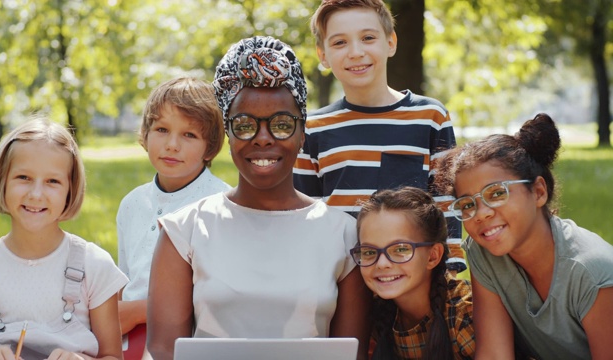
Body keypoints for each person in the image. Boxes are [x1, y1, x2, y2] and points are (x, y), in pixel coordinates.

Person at [147, 36, 371, 360]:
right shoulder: (184, 232)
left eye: (281, 124)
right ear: (228, 133)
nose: (263, 139)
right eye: (244, 124)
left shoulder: (344, 235)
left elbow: (354, 354)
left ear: (302, 133)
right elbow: (163, 351)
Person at [293, 0, 467, 274]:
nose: (356, 52)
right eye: (339, 43)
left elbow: (446, 200)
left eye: (368, 38)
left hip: (411, 276)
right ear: (322, 55)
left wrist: (450, 266)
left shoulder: (430, 116)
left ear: (390, 42)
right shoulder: (313, 127)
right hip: (341, 276)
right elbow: (304, 213)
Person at [433, 113, 613, 359]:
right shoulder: (483, 251)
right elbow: (495, 354)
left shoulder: (591, 272)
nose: (481, 214)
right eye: (466, 204)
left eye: (496, 194)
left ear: (538, 192)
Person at [0, 117, 128, 360]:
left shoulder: (94, 265)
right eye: (23, 177)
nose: (36, 194)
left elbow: (113, 356)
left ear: (70, 190)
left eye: (52, 181)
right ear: (2, 180)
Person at [116, 77, 230, 358]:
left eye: (189, 135)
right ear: (145, 133)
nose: (172, 145)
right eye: (162, 129)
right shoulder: (132, 204)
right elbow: (124, 280)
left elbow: (220, 299)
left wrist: (138, 311)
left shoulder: (222, 206)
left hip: (190, 343)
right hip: (131, 344)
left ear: (211, 146)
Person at [352, 187, 474, 360]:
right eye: (369, 252)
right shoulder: (375, 317)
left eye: (400, 249)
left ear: (433, 256)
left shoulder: (466, 314)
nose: (382, 263)